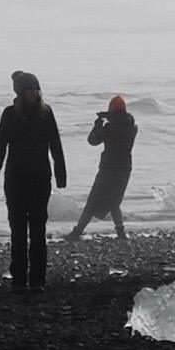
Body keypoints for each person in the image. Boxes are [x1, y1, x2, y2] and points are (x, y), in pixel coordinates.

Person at [0, 70, 68, 289]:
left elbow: (55, 145)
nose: (32, 93)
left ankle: (30, 281)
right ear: (21, 92)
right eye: (29, 89)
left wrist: (61, 174)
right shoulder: (16, 114)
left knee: (30, 230)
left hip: (31, 179)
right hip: (23, 179)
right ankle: (27, 280)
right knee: (26, 230)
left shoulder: (37, 113)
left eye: (35, 89)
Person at [68, 95, 137, 241]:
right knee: (114, 202)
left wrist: (98, 123)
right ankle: (121, 233)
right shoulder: (132, 127)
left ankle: (78, 231)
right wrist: (109, 117)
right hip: (124, 169)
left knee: (92, 201)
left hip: (108, 168)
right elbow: (121, 121)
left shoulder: (110, 128)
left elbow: (92, 140)